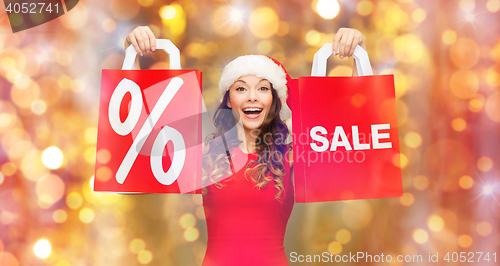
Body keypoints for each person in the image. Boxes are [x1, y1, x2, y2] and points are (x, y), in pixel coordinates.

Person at [124, 26, 366, 266]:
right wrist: (133, 48)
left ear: (274, 101)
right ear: (229, 99)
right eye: (241, 88)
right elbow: (141, 137)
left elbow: (355, 132)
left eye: (263, 88)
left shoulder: (295, 157)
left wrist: (359, 49)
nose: (252, 96)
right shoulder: (204, 155)